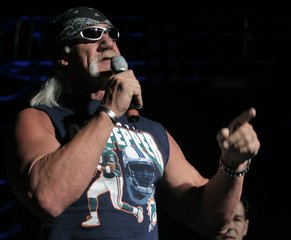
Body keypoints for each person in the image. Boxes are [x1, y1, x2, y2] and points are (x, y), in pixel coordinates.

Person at [4, 6, 260, 240]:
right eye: (91, 33)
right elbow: (49, 197)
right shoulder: (39, 119)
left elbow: (208, 218)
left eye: (112, 34)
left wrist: (232, 164)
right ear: (63, 57)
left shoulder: (152, 132)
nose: (107, 42)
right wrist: (110, 111)